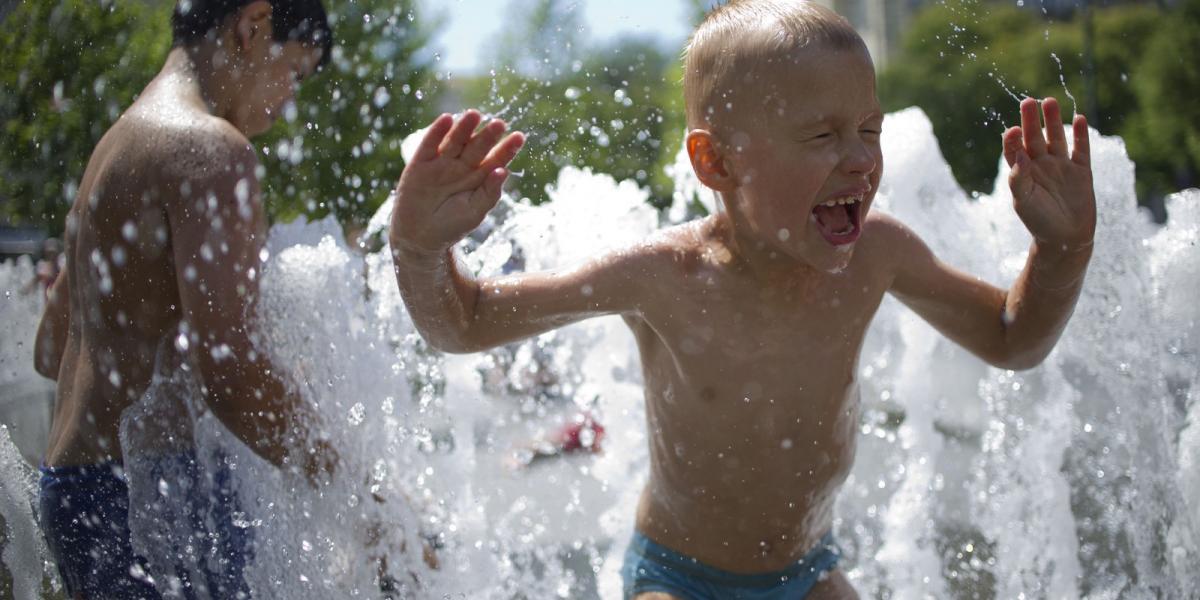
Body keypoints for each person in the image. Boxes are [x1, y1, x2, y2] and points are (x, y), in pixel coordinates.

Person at [388, 0, 1095, 597]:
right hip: (677, 577)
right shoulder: (662, 276)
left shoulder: (878, 254)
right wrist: (420, 249)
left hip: (809, 570)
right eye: (822, 135)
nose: (859, 158)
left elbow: (1013, 339)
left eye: (869, 131)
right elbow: (466, 322)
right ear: (717, 162)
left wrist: (1062, 250)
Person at [32, 1, 338, 596]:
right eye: (294, 75)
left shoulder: (116, 149)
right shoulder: (213, 152)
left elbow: (50, 348)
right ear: (252, 27)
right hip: (150, 492)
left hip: (75, 493)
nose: (286, 107)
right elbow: (231, 375)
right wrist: (351, 487)